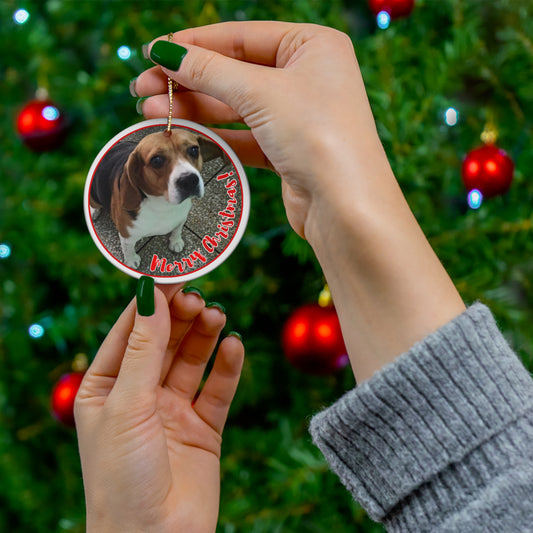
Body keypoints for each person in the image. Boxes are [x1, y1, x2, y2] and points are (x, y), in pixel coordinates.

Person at [74, 21, 533, 532]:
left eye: (192, 157)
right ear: (140, 175)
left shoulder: (187, 174)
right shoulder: (129, 194)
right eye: (164, 161)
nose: (186, 170)